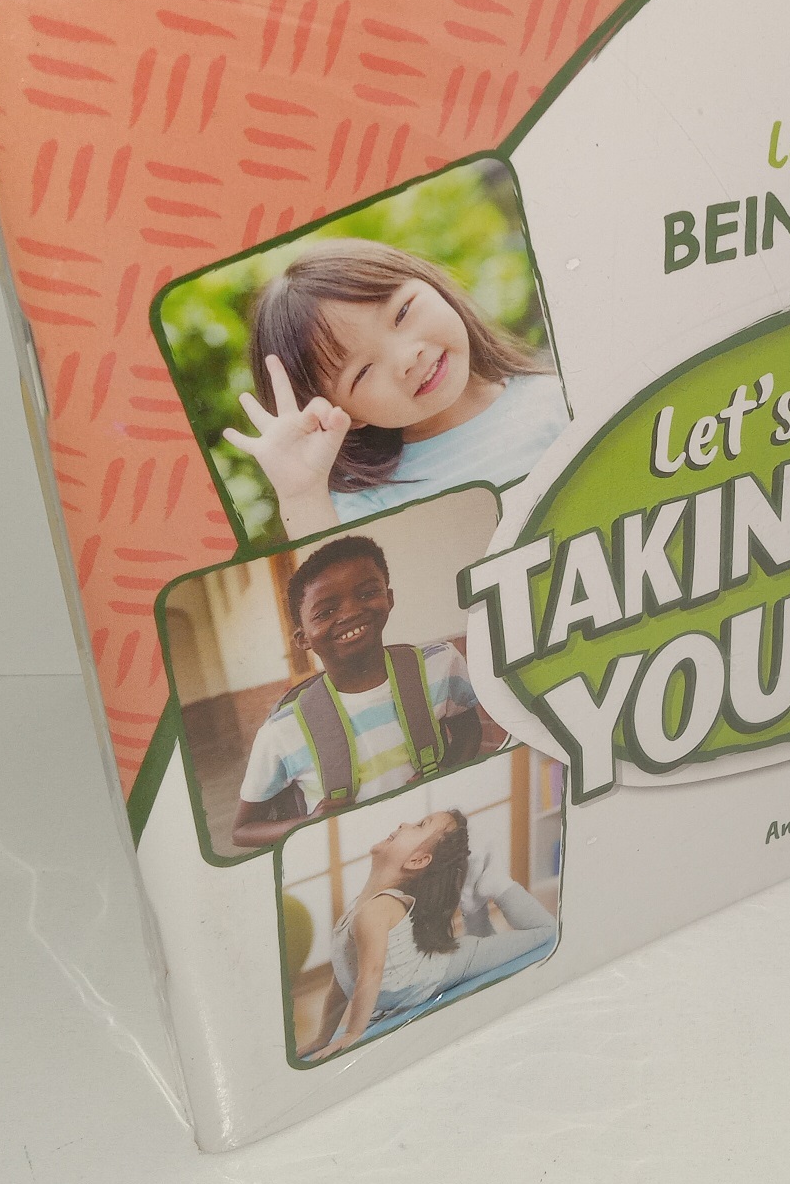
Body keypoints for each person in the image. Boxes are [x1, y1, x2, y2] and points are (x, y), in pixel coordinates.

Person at [222, 239, 567, 538]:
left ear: (430, 283)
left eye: (402, 313)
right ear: (345, 416)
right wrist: (302, 496)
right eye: (362, 372)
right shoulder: (367, 506)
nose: (406, 358)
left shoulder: (557, 399)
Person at [229, 534, 503, 849]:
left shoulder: (438, 666)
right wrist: (309, 823)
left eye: (367, 593)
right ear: (303, 638)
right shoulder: (283, 729)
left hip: (437, 844)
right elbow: (242, 830)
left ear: (389, 597)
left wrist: (446, 771)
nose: (350, 613)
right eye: (325, 612)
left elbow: (468, 731)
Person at [302, 809, 557, 1060]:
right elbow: (342, 977)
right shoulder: (356, 909)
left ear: (417, 860)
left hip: (442, 969)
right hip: (418, 971)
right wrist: (323, 1036)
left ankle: (497, 883)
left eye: (420, 825)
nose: (403, 823)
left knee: (545, 931)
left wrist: (353, 1033)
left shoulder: (376, 910)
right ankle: (473, 904)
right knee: (489, 947)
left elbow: (370, 973)